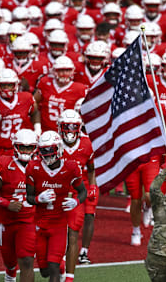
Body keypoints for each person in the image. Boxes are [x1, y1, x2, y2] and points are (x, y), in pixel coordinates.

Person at [25, 131, 86, 282]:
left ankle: (58, 265)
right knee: (44, 271)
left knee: (52, 267)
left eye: (49, 150)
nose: (46, 155)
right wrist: (39, 198)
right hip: (40, 224)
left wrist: (76, 202)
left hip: (59, 225)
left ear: (58, 148)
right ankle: (61, 265)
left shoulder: (71, 167)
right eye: (43, 151)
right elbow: (29, 198)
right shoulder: (33, 167)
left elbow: (82, 191)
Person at [0, 129, 38, 282]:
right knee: (10, 261)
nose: (26, 151)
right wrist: (7, 204)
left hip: (28, 220)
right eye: (22, 147)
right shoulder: (4, 164)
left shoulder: (40, 165)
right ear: (15, 147)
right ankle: (9, 275)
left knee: (27, 261)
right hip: (6, 220)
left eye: (29, 148)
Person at [57, 110, 97, 273]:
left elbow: (92, 168)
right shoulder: (55, 142)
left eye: (74, 126)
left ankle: (83, 252)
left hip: (84, 184)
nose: (71, 130)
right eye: (67, 126)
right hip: (61, 188)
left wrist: (93, 186)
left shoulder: (87, 143)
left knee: (87, 216)